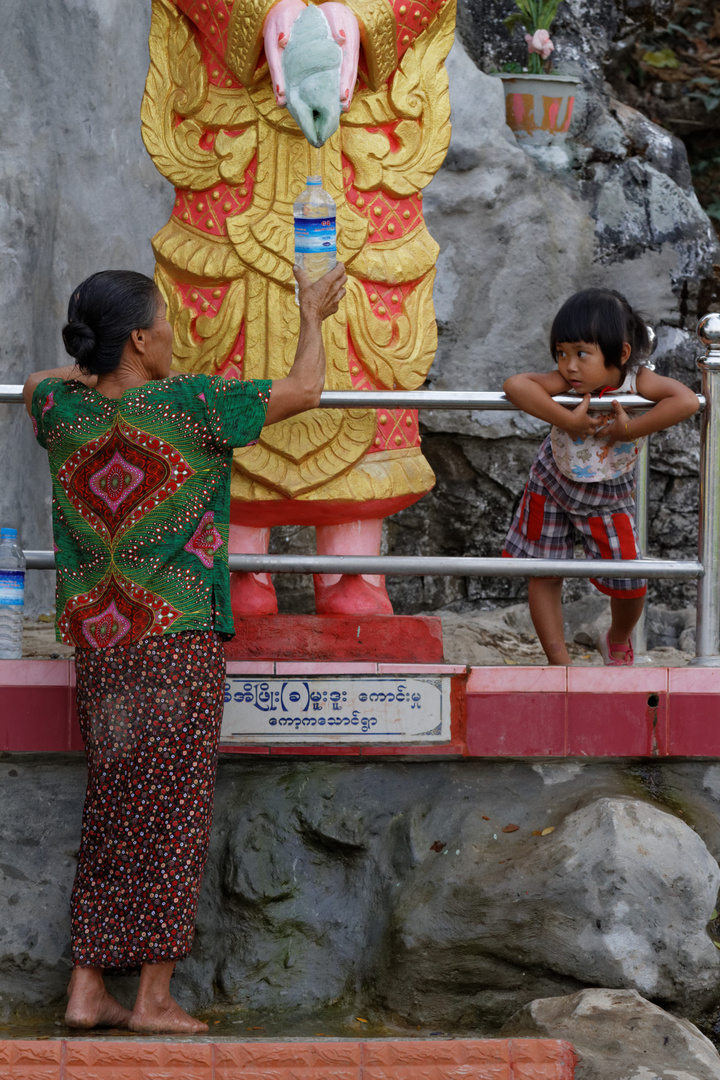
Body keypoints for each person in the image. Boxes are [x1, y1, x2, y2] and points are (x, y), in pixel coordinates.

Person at [23, 262, 347, 1034]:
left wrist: (89, 363)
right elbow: (306, 390)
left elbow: (42, 377)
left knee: (111, 812)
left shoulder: (61, 409)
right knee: (170, 817)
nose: (175, 332)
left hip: (102, 648)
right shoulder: (190, 403)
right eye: (164, 320)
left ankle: (85, 989)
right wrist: (311, 314)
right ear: (140, 337)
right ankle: (154, 1000)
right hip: (174, 644)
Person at [502, 288, 699, 667]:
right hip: (552, 483)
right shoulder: (566, 383)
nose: (569, 366)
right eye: (561, 353)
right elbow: (516, 385)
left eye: (581, 353)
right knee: (544, 574)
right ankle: (559, 662)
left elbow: (686, 401)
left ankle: (617, 638)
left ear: (621, 354)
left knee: (629, 582)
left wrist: (630, 429)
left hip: (609, 496)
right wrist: (567, 419)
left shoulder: (637, 382)